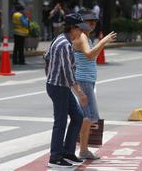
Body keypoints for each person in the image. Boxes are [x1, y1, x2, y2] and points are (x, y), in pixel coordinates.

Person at [44, 13, 90, 168]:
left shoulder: (62, 39)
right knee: (61, 121)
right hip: (58, 86)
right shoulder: (64, 44)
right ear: (73, 28)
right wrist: (80, 93)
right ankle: (55, 157)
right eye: (80, 28)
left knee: (77, 116)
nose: (82, 32)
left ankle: (67, 152)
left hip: (59, 85)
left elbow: (47, 57)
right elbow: (67, 72)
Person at [73, 9, 116, 160]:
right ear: (81, 22)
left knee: (86, 117)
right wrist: (103, 41)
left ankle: (81, 149)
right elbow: (90, 55)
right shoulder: (82, 37)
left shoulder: (86, 37)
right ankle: (81, 149)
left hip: (86, 80)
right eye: (89, 21)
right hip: (83, 80)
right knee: (88, 116)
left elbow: (92, 56)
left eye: (94, 21)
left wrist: (101, 44)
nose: (92, 24)